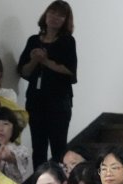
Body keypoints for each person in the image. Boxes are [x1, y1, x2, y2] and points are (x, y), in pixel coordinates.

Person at [17, 1, 78, 167]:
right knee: (38, 147)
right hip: (36, 100)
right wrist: (34, 60)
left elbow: (70, 71)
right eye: (52, 12)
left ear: (66, 20)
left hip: (59, 100)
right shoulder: (33, 40)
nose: (55, 17)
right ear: (46, 15)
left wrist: (46, 61)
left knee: (59, 147)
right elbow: (24, 71)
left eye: (61, 15)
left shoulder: (67, 41)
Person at [0, 106, 34, 184]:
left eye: (5, 124)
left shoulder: (21, 150)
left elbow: (19, 163)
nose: (0, 128)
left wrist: (9, 157)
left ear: (13, 128)